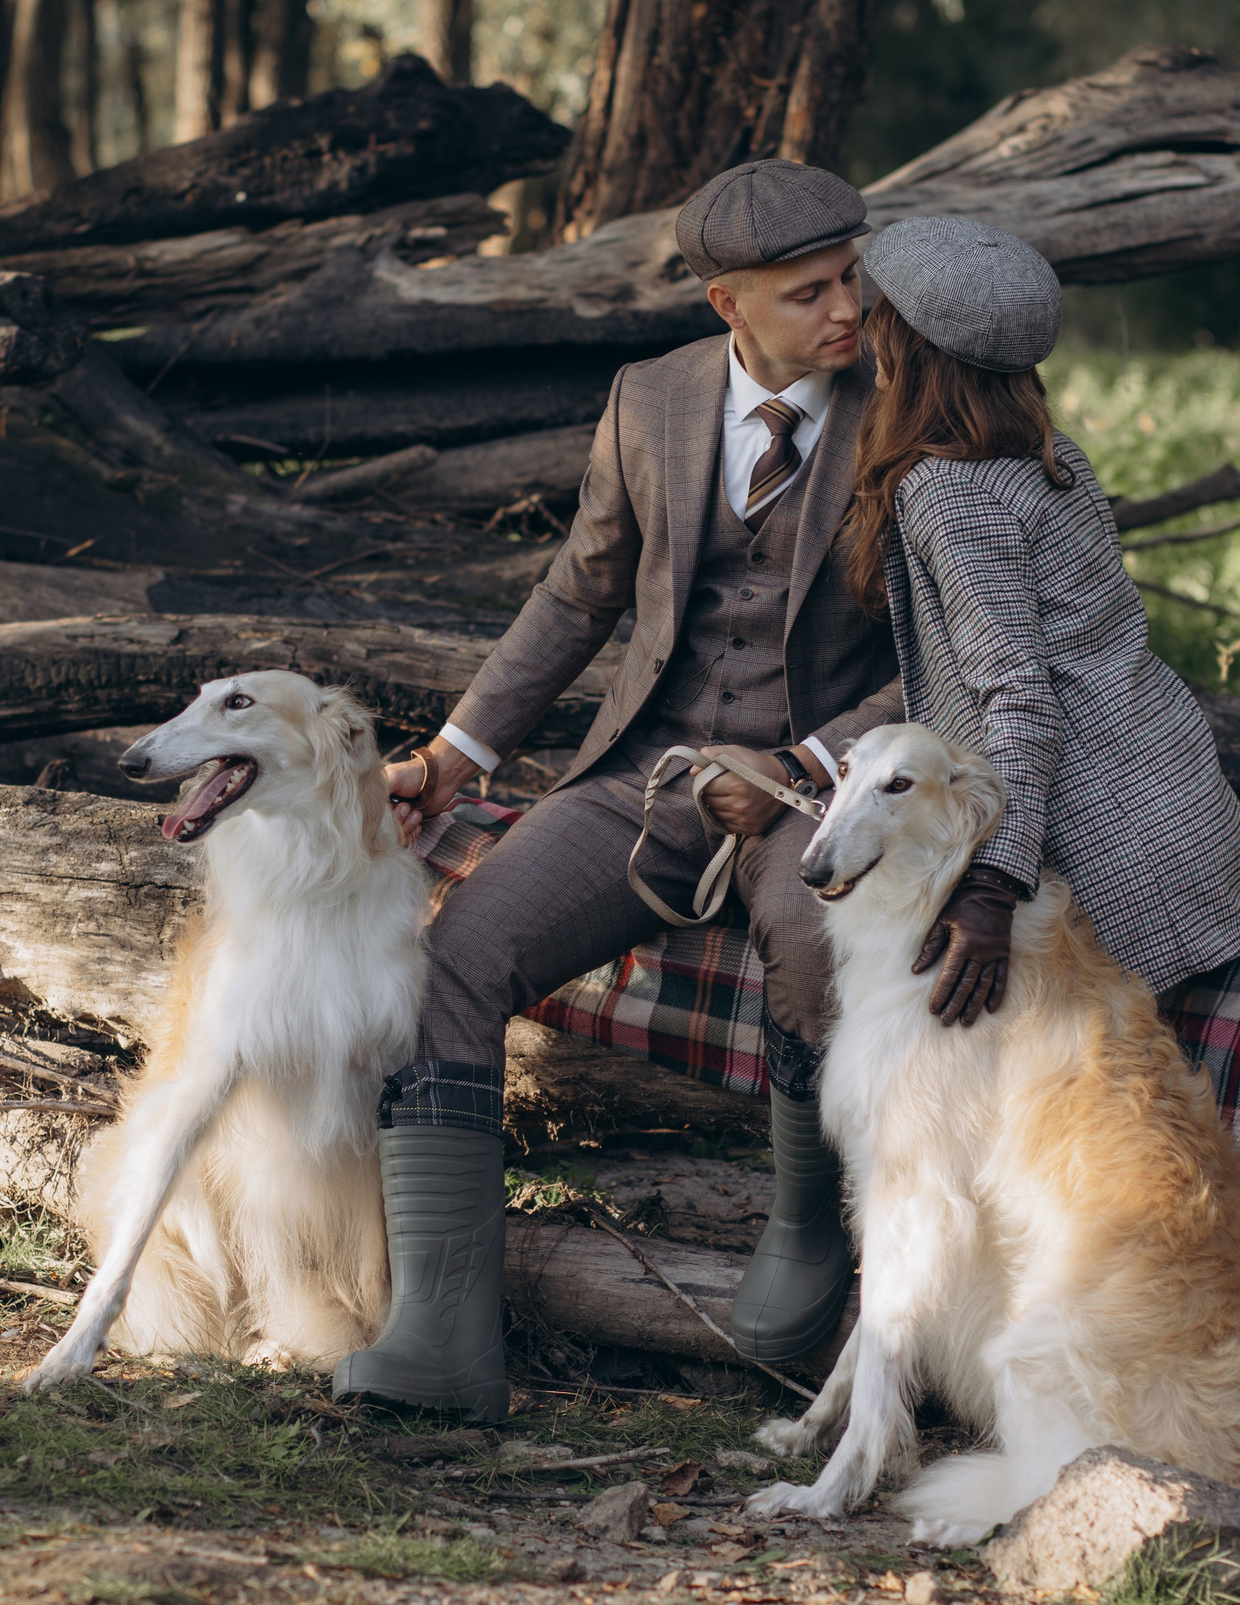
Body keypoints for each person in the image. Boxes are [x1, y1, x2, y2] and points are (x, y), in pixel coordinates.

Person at [333, 160, 904, 1421]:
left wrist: (810, 766)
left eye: (851, 275)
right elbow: (578, 594)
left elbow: (945, 653)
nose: (847, 308)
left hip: (822, 786)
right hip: (649, 768)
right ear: (725, 305)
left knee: (813, 935)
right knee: (457, 955)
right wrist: (455, 755)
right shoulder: (649, 400)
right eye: (809, 291)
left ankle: (809, 1234)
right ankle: (440, 1334)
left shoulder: (909, 408)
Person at [844, 214, 1240, 1029]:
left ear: (905, 348)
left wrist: (990, 886)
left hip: (1107, 862)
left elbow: (1020, 697)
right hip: (1187, 815)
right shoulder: (1050, 451)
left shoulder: (946, 491)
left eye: (880, 315)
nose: (868, 329)